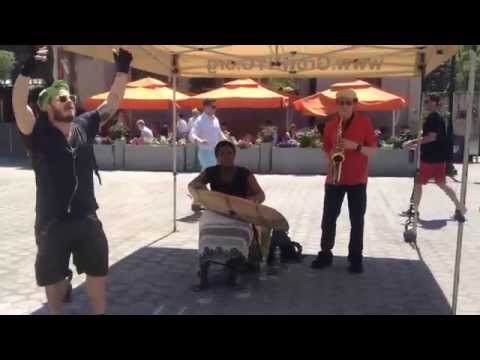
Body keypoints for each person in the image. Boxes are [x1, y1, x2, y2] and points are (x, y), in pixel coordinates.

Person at [12, 46, 133, 314]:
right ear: (47, 106)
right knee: (53, 277)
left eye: (71, 98)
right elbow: (19, 105)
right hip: (51, 222)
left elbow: (111, 104)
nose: (70, 101)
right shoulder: (37, 133)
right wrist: (25, 72)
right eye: (63, 98)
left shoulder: (83, 125)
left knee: (98, 269)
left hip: (86, 216)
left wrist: (122, 71)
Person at [311, 89, 378, 274]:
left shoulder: (365, 122)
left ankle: (356, 258)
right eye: (341, 102)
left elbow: (373, 151)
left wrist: (354, 146)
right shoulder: (331, 125)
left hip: (357, 179)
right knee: (328, 218)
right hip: (334, 178)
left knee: (357, 220)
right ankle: (325, 253)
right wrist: (332, 154)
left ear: (355, 104)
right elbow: (326, 149)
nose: (344, 106)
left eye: (348, 102)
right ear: (337, 105)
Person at [188, 140, 266, 289]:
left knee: (239, 233)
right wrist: (202, 192)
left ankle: (233, 274)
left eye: (230, 153)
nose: (226, 156)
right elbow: (193, 185)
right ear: (217, 156)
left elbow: (260, 194)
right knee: (206, 233)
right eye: (222, 153)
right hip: (216, 210)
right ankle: (203, 276)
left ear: (234, 155)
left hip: (239, 212)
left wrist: (250, 200)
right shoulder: (211, 171)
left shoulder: (244, 173)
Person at [401, 95, 466, 222]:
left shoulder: (433, 118)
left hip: (430, 159)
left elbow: (431, 137)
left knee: (418, 183)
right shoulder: (438, 118)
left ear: (436, 103)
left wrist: (412, 142)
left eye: (429, 101)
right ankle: (460, 207)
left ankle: (415, 211)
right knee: (441, 184)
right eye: (426, 101)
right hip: (438, 158)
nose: (427, 104)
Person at [189, 99, 227, 211]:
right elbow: (192, 133)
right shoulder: (199, 120)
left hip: (215, 152)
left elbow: (219, 133)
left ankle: (196, 201)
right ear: (205, 107)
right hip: (205, 151)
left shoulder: (216, 119)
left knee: (204, 177)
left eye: (215, 106)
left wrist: (226, 140)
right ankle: (212, 201)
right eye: (213, 106)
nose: (215, 108)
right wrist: (199, 140)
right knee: (212, 175)